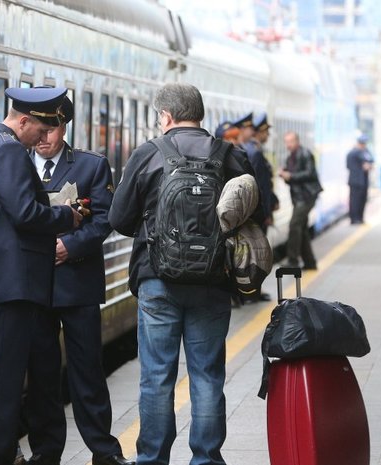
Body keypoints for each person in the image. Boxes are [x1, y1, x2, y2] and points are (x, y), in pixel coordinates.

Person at [109, 83, 263, 465]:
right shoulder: (231, 156)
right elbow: (251, 216)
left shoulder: (148, 154)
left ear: (165, 116)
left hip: (157, 281)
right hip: (212, 281)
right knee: (207, 375)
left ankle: (152, 459)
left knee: (157, 376)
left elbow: (119, 219)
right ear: (201, 114)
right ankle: (206, 459)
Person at [0, 86, 83, 465]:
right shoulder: (7, 150)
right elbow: (25, 213)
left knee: (17, 377)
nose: (41, 140)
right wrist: (68, 216)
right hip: (13, 285)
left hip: (12, 284)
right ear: (23, 120)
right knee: (4, 383)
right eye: (39, 131)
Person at [21, 96, 133, 465]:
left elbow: (104, 219)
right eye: (39, 129)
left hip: (77, 282)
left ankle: (103, 449)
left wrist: (70, 246)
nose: (43, 138)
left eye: (51, 129)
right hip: (33, 285)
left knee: (86, 370)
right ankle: (46, 450)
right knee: (41, 372)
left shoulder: (91, 165)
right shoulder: (16, 163)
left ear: (64, 126)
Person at [234, 112, 275, 302]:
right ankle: (252, 293)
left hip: (248, 210)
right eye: (249, 128)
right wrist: (266, 211)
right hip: (256, 211)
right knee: (256, 253)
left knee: (245, 253)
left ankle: (247, 292)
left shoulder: (246, 150)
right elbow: (260, 185)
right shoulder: (254, 152)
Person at [279, 131, 322, 269]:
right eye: (286, 142)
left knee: (294, 225)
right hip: (298, 197)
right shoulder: (290, 158)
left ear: (297, 141)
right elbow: (293, 179)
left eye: (290, 142)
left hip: (307, 196)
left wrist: (290, 176)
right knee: (302, 229)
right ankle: (310, 262)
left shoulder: (305, 154)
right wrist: (285, 176)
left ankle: (293, 260)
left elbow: (310, 173)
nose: (288, 145)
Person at [346, 135, 374, 225]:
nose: (363, 146)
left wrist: (368, 165)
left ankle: (360, 218)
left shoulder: (364, 152)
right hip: (355, 181)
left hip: (363, 181)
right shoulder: (353, 153)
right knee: (355, 201)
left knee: (362, 200)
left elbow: (371, 160)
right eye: (362, 144)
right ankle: (354, 219)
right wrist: (365, 165)